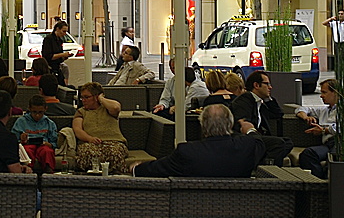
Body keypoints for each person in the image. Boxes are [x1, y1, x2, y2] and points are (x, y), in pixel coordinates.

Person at [132, 104, 267, 177]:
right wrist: (250, 130)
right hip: (240, 212)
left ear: (202, 126)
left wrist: (137, 169)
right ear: (230, 124)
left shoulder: (187, 151)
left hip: (194, 212)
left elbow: (159, 168)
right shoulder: (246, 146)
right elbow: (259, 143)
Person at [230, 71, 292, 166]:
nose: (270, 87)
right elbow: (242, 124)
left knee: (288, 142)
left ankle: (265, 163)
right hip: (246, 138)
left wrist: (268, 99)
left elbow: (278, 114)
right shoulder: (244, 101)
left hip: (259, 137)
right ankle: (265, 167)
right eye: (267, 84)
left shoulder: (259, 102)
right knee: (279, 144)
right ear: (256, 85)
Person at [74, 82, 127, 173]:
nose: (83, 100)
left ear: (96, 97)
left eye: (86, 97)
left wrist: (101, 98)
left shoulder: (108, 109)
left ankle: (116, 180)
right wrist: (89, 138)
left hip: (114, 142)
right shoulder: (81, 112)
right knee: (89, 154)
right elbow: (77, 129)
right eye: (82, 97)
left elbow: (115, 107)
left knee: (114, 153)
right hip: (89, 143)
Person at [295, 78, 341, 178]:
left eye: (324, 92)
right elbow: (301, 108)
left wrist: (324, 130)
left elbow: (343, 128)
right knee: (308, 154)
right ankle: (317, 182)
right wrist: (305, 117)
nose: (321, 96)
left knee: (334, 156)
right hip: (327, 144)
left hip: (340, 143)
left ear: (335, 93)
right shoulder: (324, 110)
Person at [12, 95, 59, 172]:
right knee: (27, 151)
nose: (37, 115)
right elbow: (13, 140)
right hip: (27, 145)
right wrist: (21, 139)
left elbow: (54, 143)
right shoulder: (21, 121)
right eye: (34, 112)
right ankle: (27, 171)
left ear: (45, 109)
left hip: (43, 145)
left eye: (40, 112)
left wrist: (49, 144)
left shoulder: (49, 123)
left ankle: (49, 172)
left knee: (47, 151)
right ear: (29, 109)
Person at [41, 21, 72, 86]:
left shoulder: (60, 40)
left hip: (57, 65)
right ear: (57, 29)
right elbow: (48, 56)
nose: (65, 34)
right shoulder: (48, 39)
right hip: (50, 66)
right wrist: (62, 55)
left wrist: (64, 57)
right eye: (63, 31)